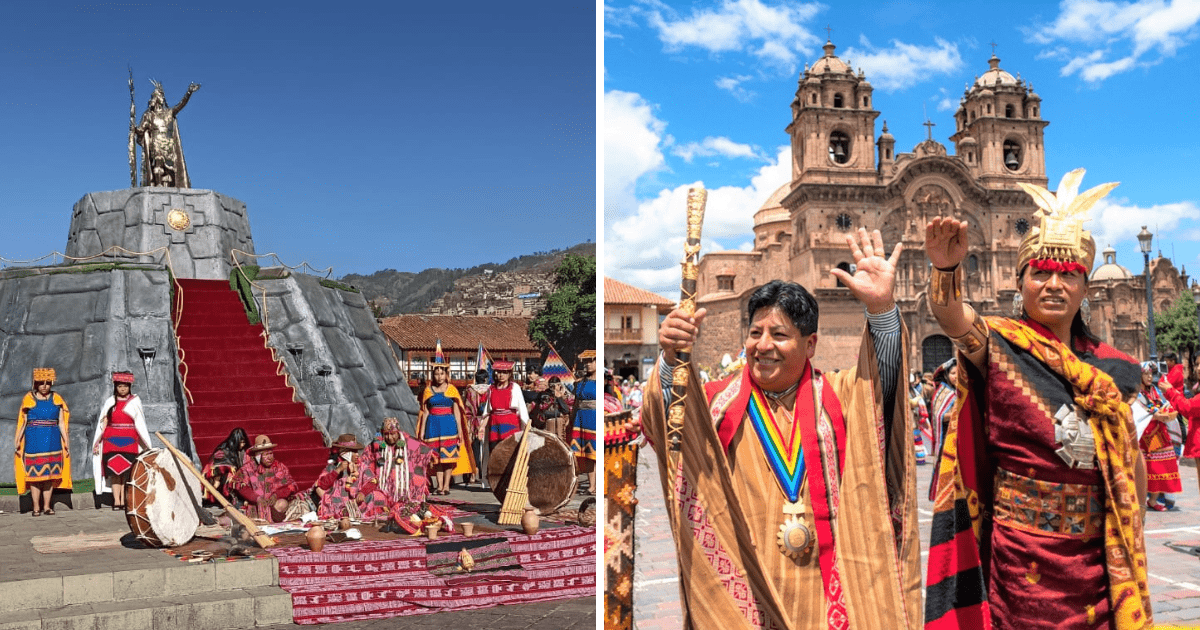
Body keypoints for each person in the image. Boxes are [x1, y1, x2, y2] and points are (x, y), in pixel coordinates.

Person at [639, 228, 921, 629]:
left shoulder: (839, 396)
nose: (763, 344)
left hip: (830, 597)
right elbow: (669, 424)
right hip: (747, 592)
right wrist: (669, 361)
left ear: (810, 344)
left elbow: (884, 390)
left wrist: (882, 314)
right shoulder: (717, 404)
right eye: (755, 333)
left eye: (780, 334)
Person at [923, 169, 1151, 629]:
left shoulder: (1112, 368)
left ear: (1085, 289)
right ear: (1020, 283)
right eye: (1041, 273)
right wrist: (946, 270)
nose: (1053, 285)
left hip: (1097, 559)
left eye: (1067, 275)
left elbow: (1131, 458)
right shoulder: (999, 343)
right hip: (1019, 561)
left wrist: (1133, 529)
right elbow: (952, 318)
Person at [363, 417, 452, 534]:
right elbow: (365, 462)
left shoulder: (408, 441)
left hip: (405, 493)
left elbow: (422, 448)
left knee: (415, 492)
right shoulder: (377, 446)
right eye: (386, 434)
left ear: (398, 432)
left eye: (392, 434)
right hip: (384, 491)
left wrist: (431, 456)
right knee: (372, 500)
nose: (389, 438)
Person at [13, 368, 72, 516]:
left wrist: (66, 442)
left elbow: (61, 423)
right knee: (34, 477)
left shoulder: (57, 399)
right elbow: (23, 421)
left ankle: (47, 506)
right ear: (36, 384)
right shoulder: (29, 398)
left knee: (49, 476)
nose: (44, 386)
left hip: (53, 441)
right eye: (41, 383)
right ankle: (36, 507)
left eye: (47, 383)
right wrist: (18, 441)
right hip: (34, 441)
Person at [90, 371, 152, 511]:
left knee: (126, 473)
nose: (122, 389)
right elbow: (103, 423)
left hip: (129, 442)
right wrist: (97, 442)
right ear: (115, 387)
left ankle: (125, 500)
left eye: (125, 386)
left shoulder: (135, 401)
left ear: (130, 386)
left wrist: (146, 445)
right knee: (114, 473)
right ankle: (116, 501)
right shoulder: (110, 402)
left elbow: (140, 423)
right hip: (111, 442)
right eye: (119, 386)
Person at [416, 364, 470, 495]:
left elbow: (457, 413)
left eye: (441, 373)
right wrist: (422, 430)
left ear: (446, 374)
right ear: (432, 375)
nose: (439, 376)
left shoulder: (452, 390)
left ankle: (446, 486)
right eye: (436, 374)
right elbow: (425, 412)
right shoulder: (428, 391)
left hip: (449, 426)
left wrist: (460, 432)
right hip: (432, 426)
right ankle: (439, 486)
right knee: (436, 459)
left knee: (448, 459)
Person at [1134, 363, 1182, 511]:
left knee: (1163, 464)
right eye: (1146, 374)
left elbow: (1162, 404)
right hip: (1146, 433)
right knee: (1150, 467)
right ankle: (1147, 499)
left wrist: (1166, 410)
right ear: (1140, 376)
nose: (1149, 377)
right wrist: (1156, 414)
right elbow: (1141, 411)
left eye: (1151, 374)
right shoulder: (1137, 393)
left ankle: (1154, 499)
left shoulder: (1154, 390)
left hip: (1160, 431)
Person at [313, 433, 389, 521]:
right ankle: (342, 513)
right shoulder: (332, 467)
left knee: (377, 495)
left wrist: (363, 493)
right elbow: (322, 485)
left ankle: (356, 512)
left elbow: (373, 481)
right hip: (338, 503)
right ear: (345, 453)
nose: (357, 455)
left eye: (357, 452)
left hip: (357, 502)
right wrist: (338, 470)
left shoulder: (361, 467)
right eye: (353, 452)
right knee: (322, 492)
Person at [228, 435, 302, 522]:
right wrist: (256, 498)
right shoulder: (247, 468)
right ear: (258, 456)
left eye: (271, 453)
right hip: (254, 504)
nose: (270, 457)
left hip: (274, 504)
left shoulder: (280, 467)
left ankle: (273, 519)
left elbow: (292, 485)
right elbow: (238, 485)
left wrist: (277, 495)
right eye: (266, 454)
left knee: (282, 504)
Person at [927, 358, 958, 499]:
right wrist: (958, 414)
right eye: (952, 373)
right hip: (947, 438)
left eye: (959, 372)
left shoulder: (960, 390)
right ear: (946, 374)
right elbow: (940, 415)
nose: (956, 376)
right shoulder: (945, 393)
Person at [483, 360, 529, 448]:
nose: (501, 375)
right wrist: (482, 426)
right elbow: (488, 410)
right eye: (499, 372)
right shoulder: (491, 388)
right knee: (494, 451)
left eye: (504, 372)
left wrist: (526, 423)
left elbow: (522, 407)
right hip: (495, 425)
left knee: (510, 451)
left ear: (509, 374)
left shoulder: (515, 387)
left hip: (510, 423)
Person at [570, 350, 598, 496]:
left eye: (591, 361)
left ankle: (600, 484)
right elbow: (576, 403)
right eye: (586, 362)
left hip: (595, 419)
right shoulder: (580, 383)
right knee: (586, 453)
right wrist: (571, 419)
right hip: (581, 419)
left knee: (596, 453)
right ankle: (591, 486)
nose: (587, 364)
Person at [201, 427, 250, 504]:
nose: (243, 445)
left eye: (244, 442)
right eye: (241, 442)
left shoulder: (242, 451)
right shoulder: (222, 451)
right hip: (218, 477)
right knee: (228, 477)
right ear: (235, 441)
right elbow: (214, 468)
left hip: (236, 475)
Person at [462, 369, 491, 487]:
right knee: (485, 449)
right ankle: (485, 475)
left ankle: (473, 474)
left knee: (474, 449)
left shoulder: (470, 390)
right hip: (487, 421)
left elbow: (467, 407)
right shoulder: (491, 390)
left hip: (473, 421)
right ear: (486, 378)